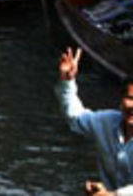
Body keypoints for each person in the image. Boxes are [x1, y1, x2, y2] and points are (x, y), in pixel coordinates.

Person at [57, 46, 133, 195]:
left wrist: (112, 195)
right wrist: (67, 82)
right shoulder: (106, 122)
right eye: (130, 99)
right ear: (121, 99)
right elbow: (76, 118)